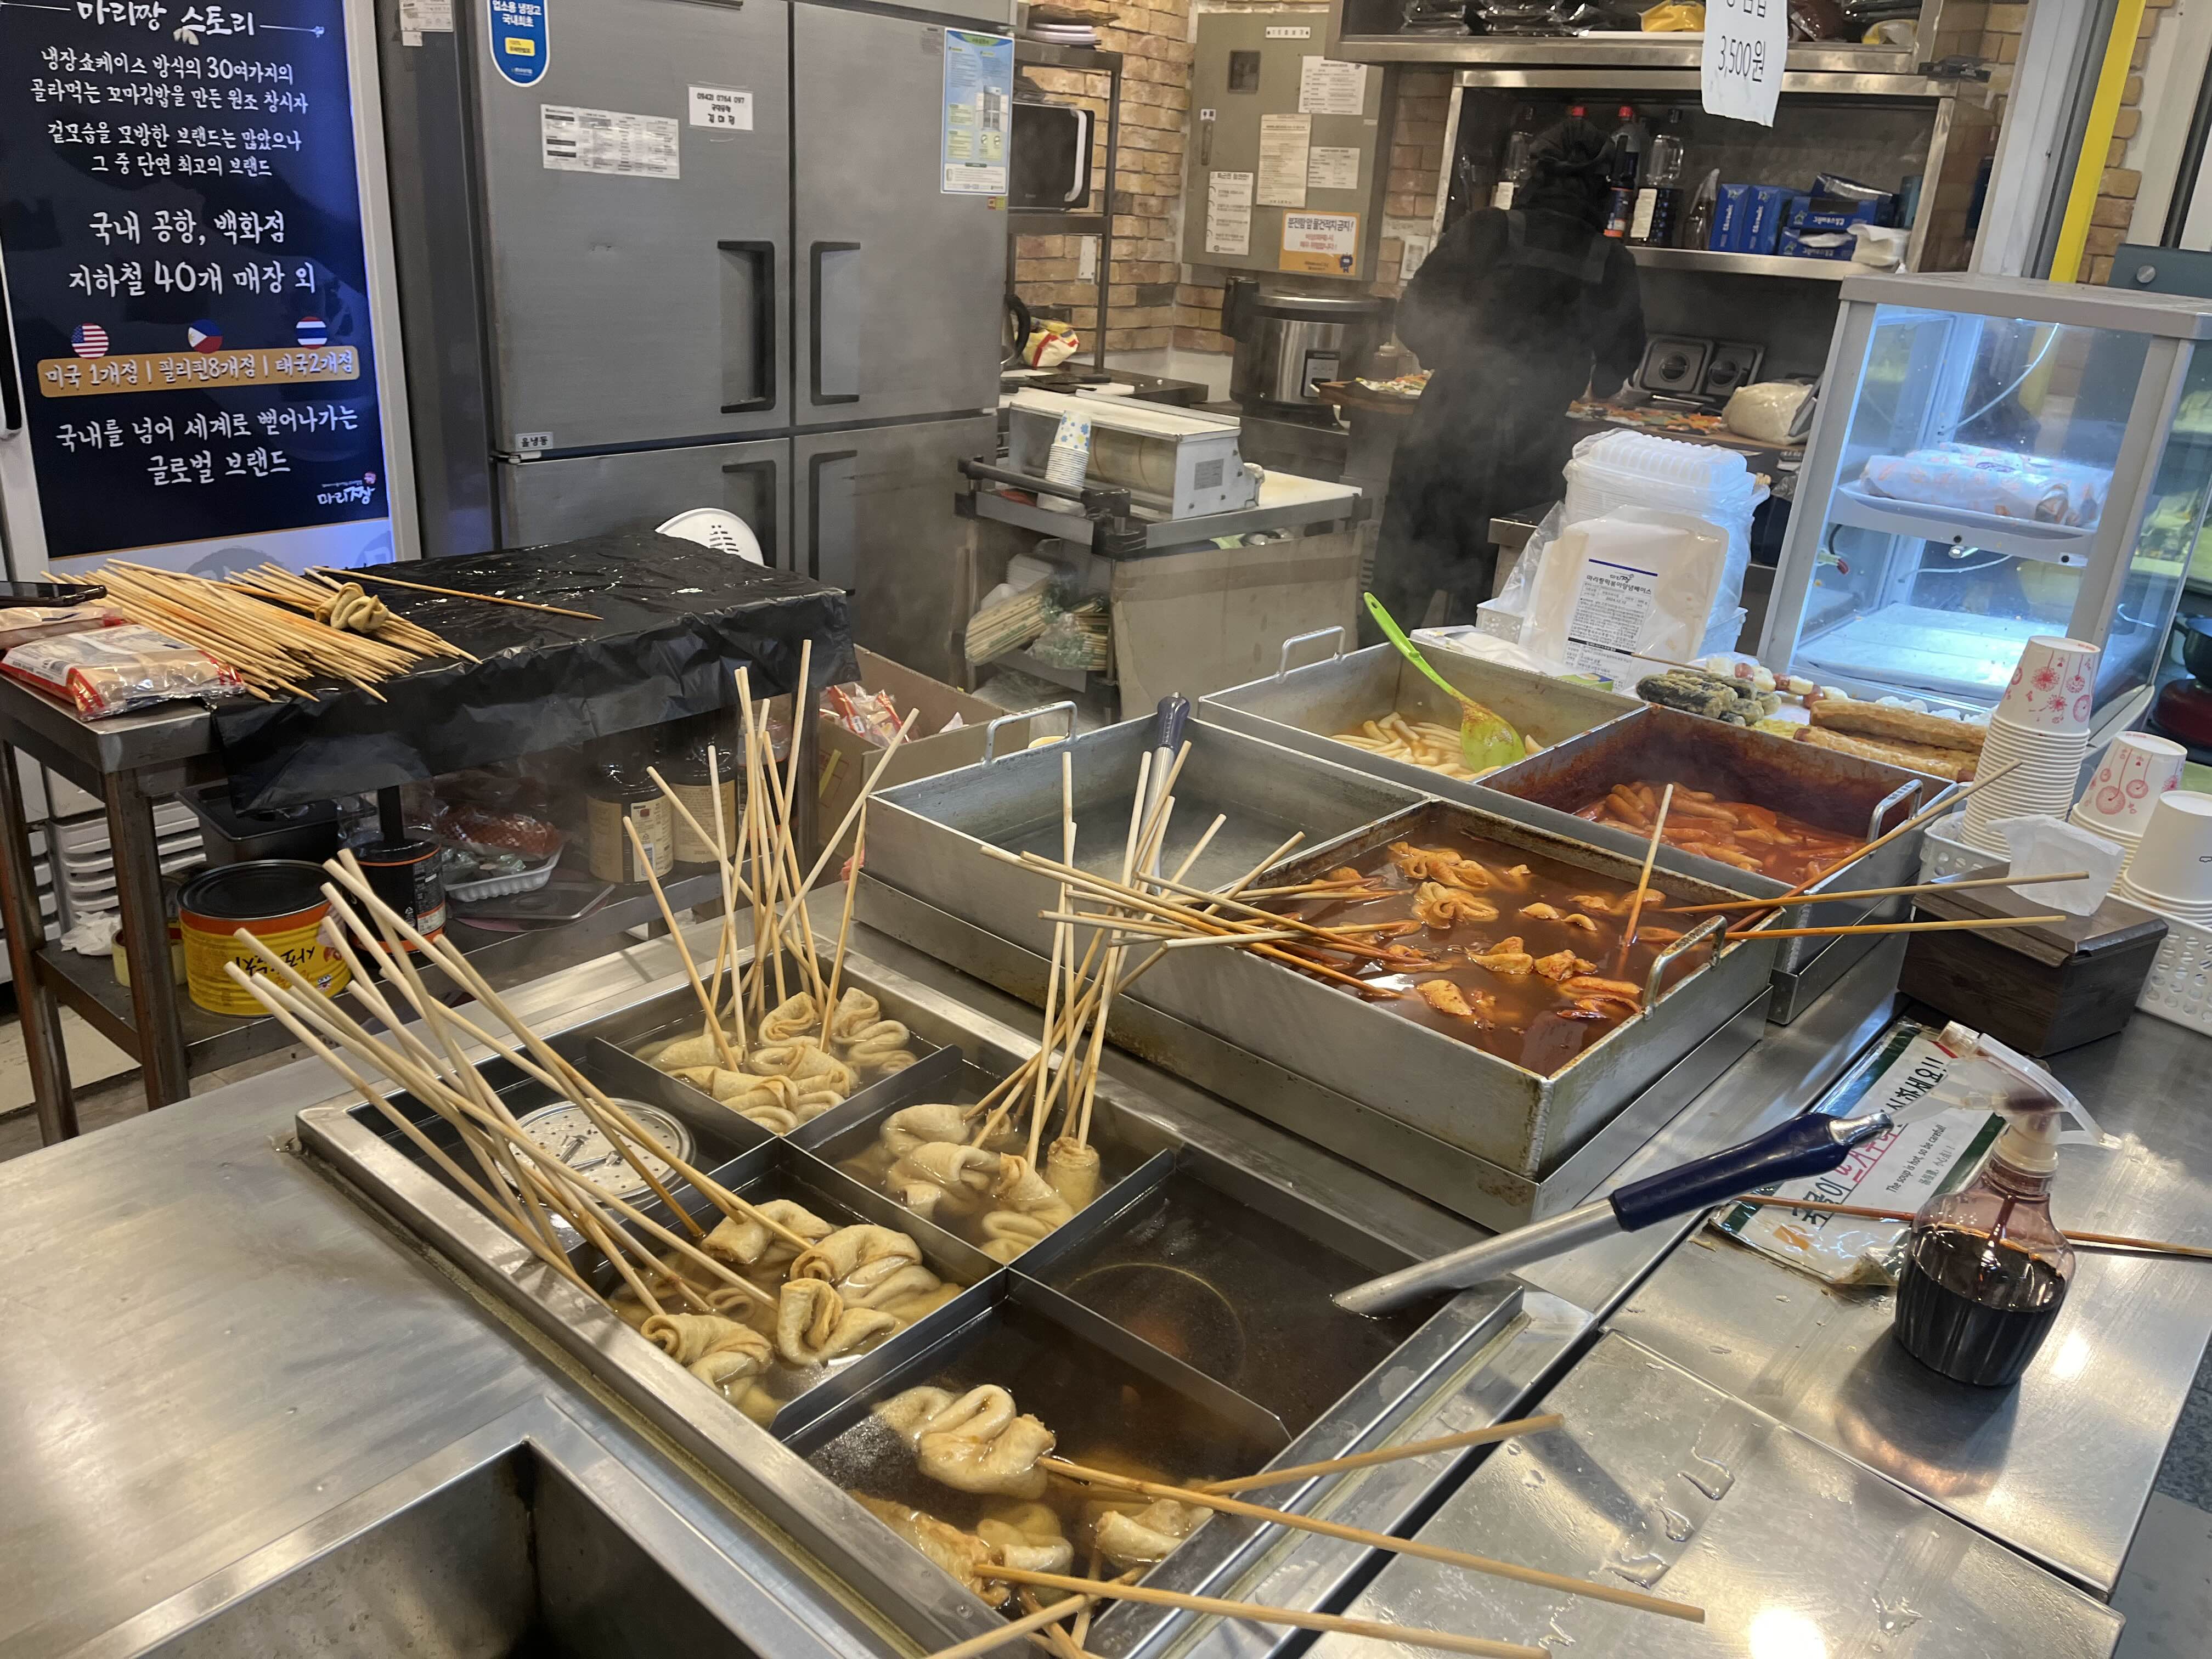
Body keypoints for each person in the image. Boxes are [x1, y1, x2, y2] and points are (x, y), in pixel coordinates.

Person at [1364, 116, 1647, 641]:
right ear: (1605, 187)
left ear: (1532, 174)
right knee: (1494, 603)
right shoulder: (1611, 262)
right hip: (1532, 451)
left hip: (1444, 435)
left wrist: (1459, 360)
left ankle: (1374, 680)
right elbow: (1616, 370)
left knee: (1398, 590)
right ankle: (1469, 689)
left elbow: (1414, 318)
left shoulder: (1485, 231)